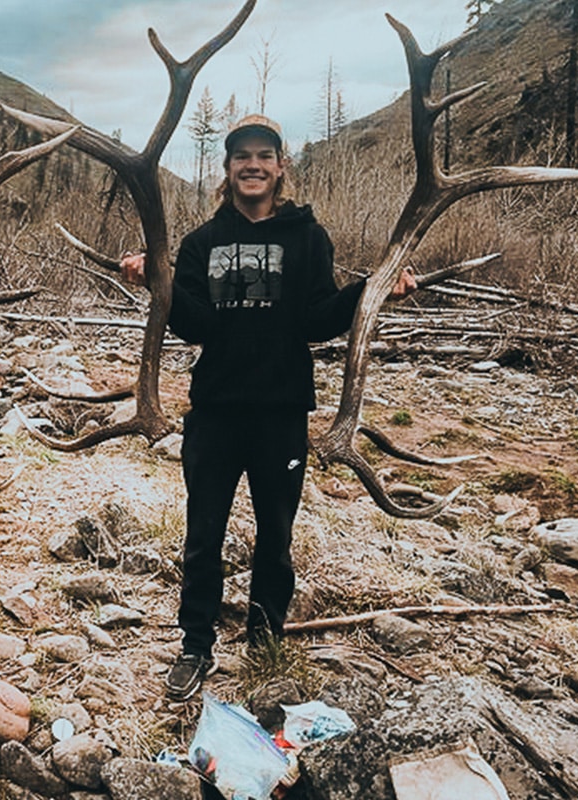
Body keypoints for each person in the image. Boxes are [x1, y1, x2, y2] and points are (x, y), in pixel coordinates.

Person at [121, 114, 415, 701]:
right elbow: (196, 325)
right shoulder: (202, 243)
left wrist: (371, 290)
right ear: (226, 170)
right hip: (215, 411)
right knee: (203, 533)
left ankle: (265, 639)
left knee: (275, 534)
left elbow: (317, 319)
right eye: (241, 157)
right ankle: (195, 646)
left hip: (281, 410)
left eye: (263, 155)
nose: (252, 165)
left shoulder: (308, 238)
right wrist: (160, 281)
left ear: (281, 167)